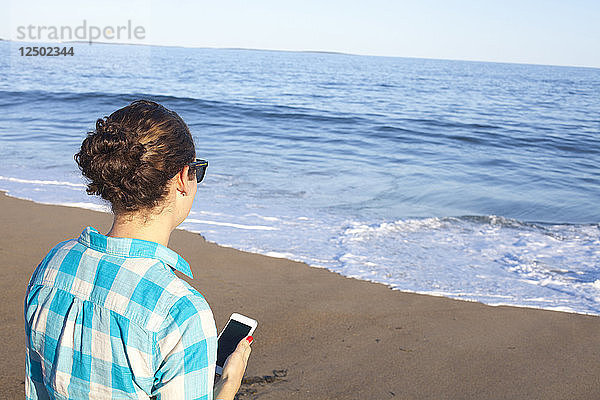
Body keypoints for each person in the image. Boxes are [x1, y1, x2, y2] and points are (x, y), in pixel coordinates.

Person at [24, 100, 252, 399]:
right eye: (197, 170)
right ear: (183, 178)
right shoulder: (181, 313)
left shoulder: (54, 264)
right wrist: (228, 386)